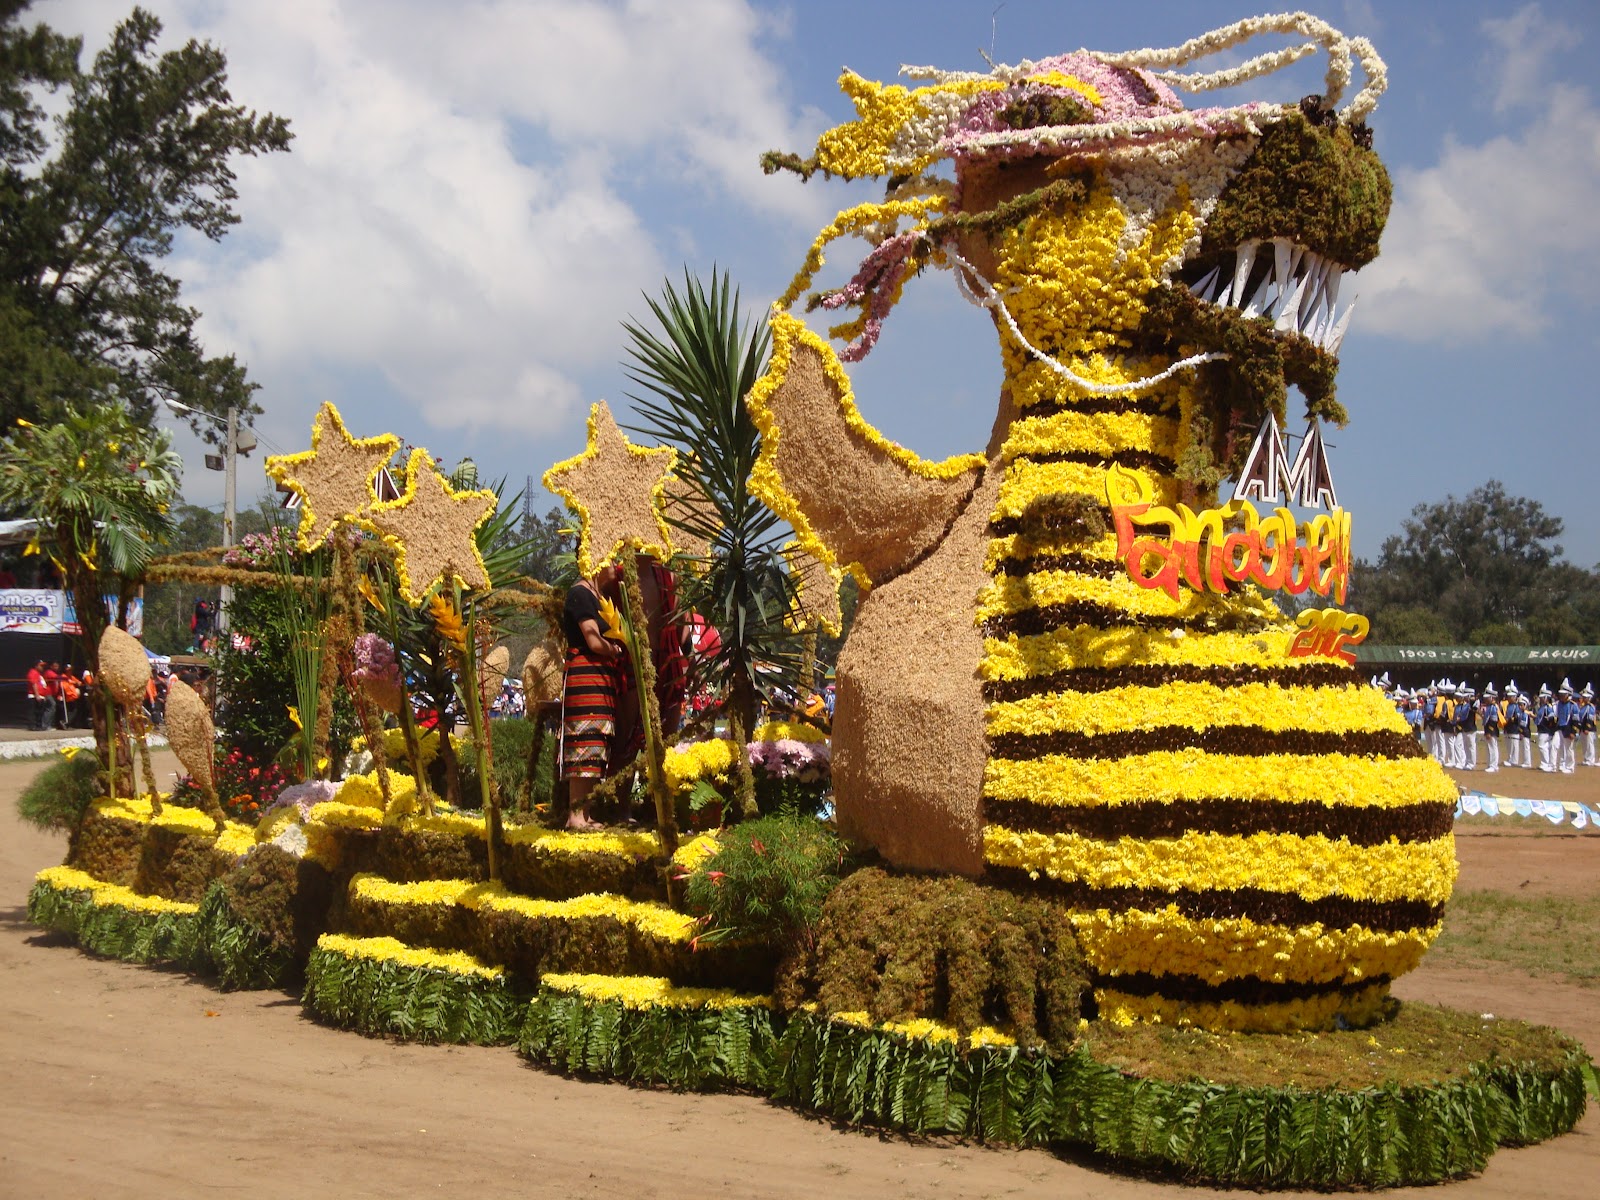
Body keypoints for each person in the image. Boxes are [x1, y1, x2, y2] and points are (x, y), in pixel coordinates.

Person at [559, 564, 625, 831]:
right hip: (584, 676)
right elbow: (593, 640)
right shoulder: (580, 593)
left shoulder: (599, 597)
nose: (616, 569)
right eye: (612, 562)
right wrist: (618, 649)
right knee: (582, 743)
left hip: (600, 679)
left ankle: (585, 813)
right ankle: (575, 816)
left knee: (596, 743)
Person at [1553, 680, 1578, 775]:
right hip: (1559, 728)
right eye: (1561, 694)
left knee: (1568, 748)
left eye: (1563, 695)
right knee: (1554, 745)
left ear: (1568, 695)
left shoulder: (1573, 706)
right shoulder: (1558, 704)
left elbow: (1576, 721)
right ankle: (1555, 765)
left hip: (1568, 728)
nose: (1561, 696)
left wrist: (1573, 732)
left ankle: (1570, 767)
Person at [1479, 684, 1502, 773]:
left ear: (1492, 698)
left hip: (1491, 730)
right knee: (1490, 747)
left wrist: (1489, 731)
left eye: (1487, 698)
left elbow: (1493, 721)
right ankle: (1491, 764)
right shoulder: (1489, 707)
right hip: (1488, 729)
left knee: (1492, 747)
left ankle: (1493, 765)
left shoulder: (1493, 707)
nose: (1485, 699)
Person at [1535, 685, 1558, 772]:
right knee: (1543, 746)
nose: (1540, 699)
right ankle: (1545, 762)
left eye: (1542, 698)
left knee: (1542, 746)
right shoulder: (1542, 707)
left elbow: (1552, 717)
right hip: (1542, 729)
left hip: (1545, 730)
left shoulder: (1548, 707)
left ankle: (1546, 763)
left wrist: (1548, 721)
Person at [25, 659, 47, 730]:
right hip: (34, 696)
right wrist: (37, 695)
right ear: (36, 666)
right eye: (41, 666)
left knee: (39, 712)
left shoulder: (39, 674)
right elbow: (34, 684)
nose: (42, 667)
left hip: (40, 696)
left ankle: (39, 726)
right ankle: (32, 726)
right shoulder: (33, 672)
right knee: (33, 712)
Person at [1580, 684, 1597, 768]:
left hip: (1589, 729)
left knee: (1590, 744)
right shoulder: (1583, 707)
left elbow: (1590, 718)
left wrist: (1587, 728)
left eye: (1586, 697)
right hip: (1583, 728)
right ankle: (1586, 758)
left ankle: (1591, 759)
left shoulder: (1591, 707)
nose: (1584, 698)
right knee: (1584, 744)